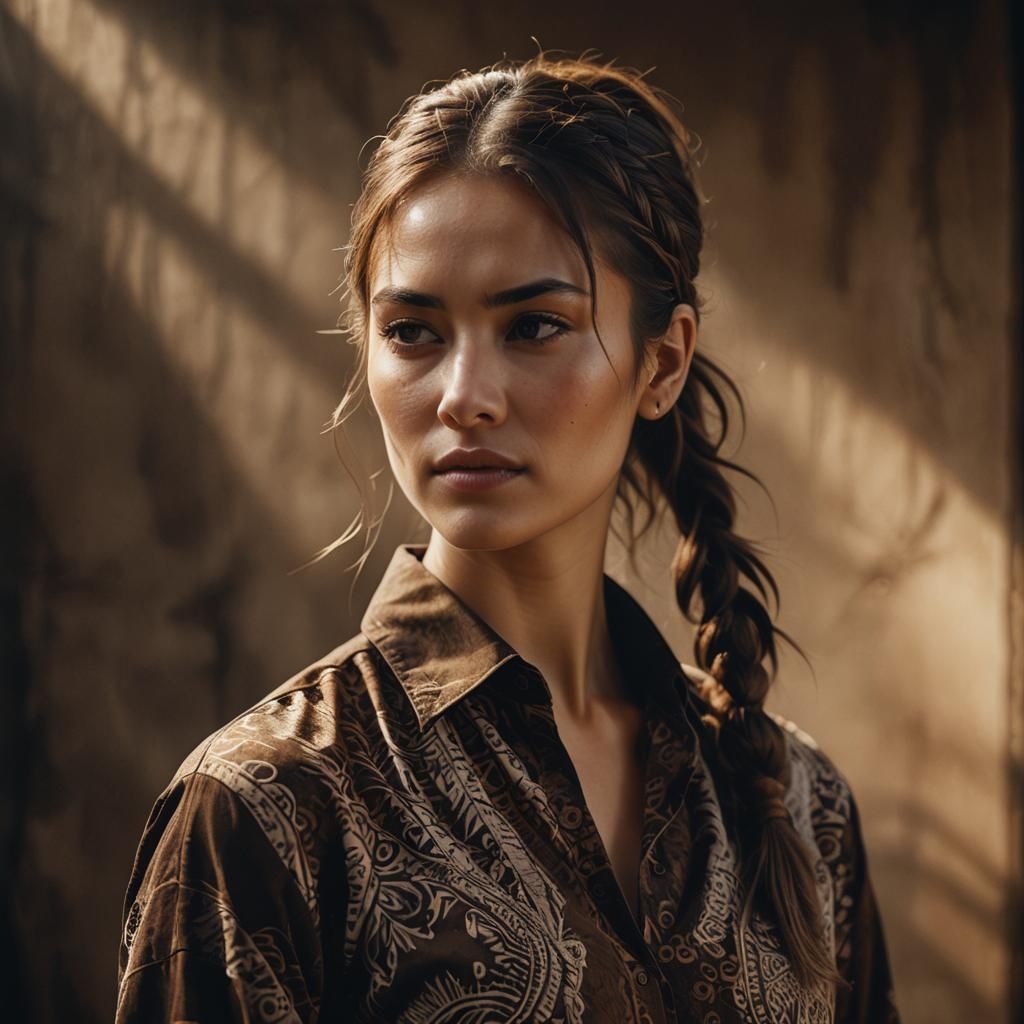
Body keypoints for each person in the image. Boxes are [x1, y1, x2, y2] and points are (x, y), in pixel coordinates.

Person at [115, 51, 900, 1024]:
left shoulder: (795, 802)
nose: (463, 397)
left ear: (662, 362)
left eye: (532, 326)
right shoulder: (264, 811)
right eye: (412, 331)